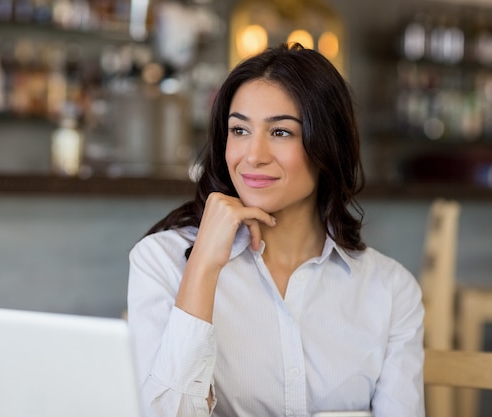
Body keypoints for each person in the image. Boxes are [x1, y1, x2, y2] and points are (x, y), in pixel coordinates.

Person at [127, 43, 424, 417]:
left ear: (328, 144)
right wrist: (202, 266)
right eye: (239, 130)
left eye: (281, 132)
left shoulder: (392, 291)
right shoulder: (161, 261)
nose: (253, 155)